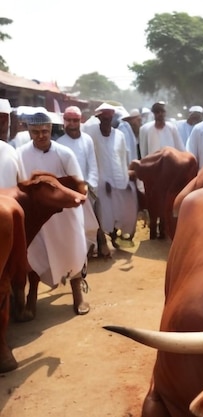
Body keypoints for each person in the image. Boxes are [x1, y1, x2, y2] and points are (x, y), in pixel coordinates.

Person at [16, 112, 90, 315]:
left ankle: (78, 295)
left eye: (45, 131)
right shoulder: (20, 154)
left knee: (72, 250)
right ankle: (31, 298)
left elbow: (78, 185)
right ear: (29, 132)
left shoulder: (64, 153)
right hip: (38, 216)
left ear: (51, 130)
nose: (41, 136)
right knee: (35, 254)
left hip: (64, 215)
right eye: (36, 132)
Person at [84, 103, 138, 249]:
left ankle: (117, 236)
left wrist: (125, 177)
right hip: (100, 181)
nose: (107, 121)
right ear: (99, 118)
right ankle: (105, 241)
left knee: (123, 209)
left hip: (119, 180)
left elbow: (123, 157)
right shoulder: (91, 133)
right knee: (104, 212)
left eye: (109, 118)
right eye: (104, 118)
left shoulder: (119, 135)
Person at [57, 106, 101, 256]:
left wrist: (90, 184)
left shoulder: (87, 140)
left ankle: (90, 251)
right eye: (68, 120)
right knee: (71, 224)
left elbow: (93, 165)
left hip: (86, 190)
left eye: (75, 120)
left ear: (80, 121)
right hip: (68, 192)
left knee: (89, 224)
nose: (72, 124)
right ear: (64, 122)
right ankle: (73, 254)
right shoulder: (59, 143)